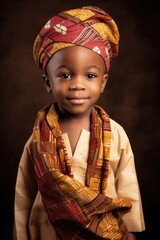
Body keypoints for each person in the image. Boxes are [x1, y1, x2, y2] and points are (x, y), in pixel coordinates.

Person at [13, 5, 145, 240]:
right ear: (47, 81)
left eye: (90, 76)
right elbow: (23, 195)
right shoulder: (38, 138)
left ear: (103, 82)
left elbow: (128, 186)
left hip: (104, 234)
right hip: (46, 231)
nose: (77, 84)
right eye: (65, 75)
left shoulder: (115, 133)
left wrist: (131, 230)